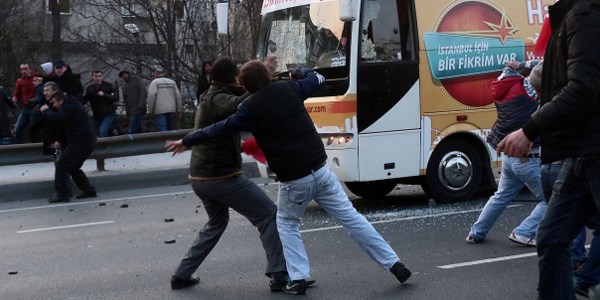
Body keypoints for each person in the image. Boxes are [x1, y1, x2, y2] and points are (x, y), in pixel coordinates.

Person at [166, 60, 411, 295]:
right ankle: (394, 263)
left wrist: (187, 141)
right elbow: (317, 77)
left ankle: (298, 278)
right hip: (321, 169)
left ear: (243, 85)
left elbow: (218, 128)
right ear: (269, 77)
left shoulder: (248, 109)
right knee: (351, 219)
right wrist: (300, 72)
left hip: (295, 180)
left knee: (286, 224)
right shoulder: (290, 88)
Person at [496, 0, 600, 298]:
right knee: (552, 237)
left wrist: (531, 130)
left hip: (593, 150)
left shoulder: (585, 14)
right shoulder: (574, 14)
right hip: (580, 152)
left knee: (552, 238)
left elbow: (582, 87)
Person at [169, 57, 292, 292]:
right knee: (268, 215)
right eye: (237, 76)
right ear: (230, 78)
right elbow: (238, 105)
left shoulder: (210, 94)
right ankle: (278, 274)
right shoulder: (217, 97)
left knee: (216, 223)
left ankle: (182, 274)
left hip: (202, 176)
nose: (239, 80)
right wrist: (261, 79)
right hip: (219, 177)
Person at [466, 61, 547, 246]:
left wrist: (519, 65)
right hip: (529, 159)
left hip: (510, 159)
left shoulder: (511, 88)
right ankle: (524, 232)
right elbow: (546, 64)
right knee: (550, 198)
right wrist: (526, 63)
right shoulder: (534, 100)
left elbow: (537, 69)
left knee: (500, 196)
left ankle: (476, 232)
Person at [40, 90, 97, 203]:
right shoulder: (71, 106)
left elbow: (57, 118)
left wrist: (46, 111)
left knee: (62, 165)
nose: (54, 105)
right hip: (86, 141)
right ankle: (89, 191)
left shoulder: (68, 107)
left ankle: (62, 194)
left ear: (60, 100)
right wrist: (59, 141)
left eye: (54, 102)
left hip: (81, 141)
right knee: (73, 167)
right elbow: (63, 126)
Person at [82, 70, 118, 137]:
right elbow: (84, 100)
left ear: (101, 77)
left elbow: (115, 98)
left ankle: (107, 146)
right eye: (95, 76)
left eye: (99, 76)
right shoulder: (90, 89)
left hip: (108, 113)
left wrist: (104, 95)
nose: (97, 78)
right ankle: (112, 129)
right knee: (94, 134)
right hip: (97, 116)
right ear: (92, 77)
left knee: (102, 131)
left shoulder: (108, 86)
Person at [12, 64, 39, 143]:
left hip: (34, 108)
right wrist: (15, 98)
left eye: (25, 69)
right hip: (25, 108)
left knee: (35, 129)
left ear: (29, 69)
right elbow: (17, 93)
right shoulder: (19, 81)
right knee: (18, 129)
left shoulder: (35, 78)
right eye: (22, 69)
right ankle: (17, 147)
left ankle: (36, 146)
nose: (24, 71)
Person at [118, 66, 147, 134]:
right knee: (138, 129)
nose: (124, 75)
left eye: (126, 73)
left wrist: (141, 105)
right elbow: (125, 98)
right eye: (123, 74)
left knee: (131, 129)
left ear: (129, 73)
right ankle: (143, 142)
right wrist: (127, 110)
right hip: (132, 110)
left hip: (138, 109)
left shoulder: (137, 80)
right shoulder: (124, 85)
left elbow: (143, 91)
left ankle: (131, 143)